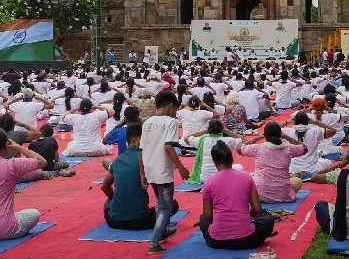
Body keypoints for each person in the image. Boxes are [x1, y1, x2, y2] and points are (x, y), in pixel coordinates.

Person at [199, 140, 275, 250]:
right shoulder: (246, 177)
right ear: (231, 159)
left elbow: (208, 216)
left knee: (202, 218)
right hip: (248, 239)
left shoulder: (209, 182)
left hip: (217, 241)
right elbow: (257, 209)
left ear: (215, 162)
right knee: (267, 219)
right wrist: (247, 216)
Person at [102, 123, 179, 229]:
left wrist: (114, 198)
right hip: (140, 221)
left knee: (108, 203)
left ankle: (119, 209)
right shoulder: (147, 158)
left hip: (114, 221)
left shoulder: (118, 160)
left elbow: (105, 187)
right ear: (134, 141)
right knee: (171, 205)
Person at [141, 90, 189, 254]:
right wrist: (181, 168)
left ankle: (163, 230)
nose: (175, 113)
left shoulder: (147, 122)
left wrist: (142, 173)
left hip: (150, 168)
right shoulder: (171, 122)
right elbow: (168, 147)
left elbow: (142, 150)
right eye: (175, 109)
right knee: (165, 207)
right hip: (162, 170)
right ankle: (154, 243)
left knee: (160, 204)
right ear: (170, 106)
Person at [238, 122, 306, 202]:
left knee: (246, 178)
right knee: (297, 181)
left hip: (259, 195)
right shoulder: (288, 148)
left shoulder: (259, 148)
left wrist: (258, 137)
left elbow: (239, 149)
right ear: (280, 134)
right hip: (283, 195)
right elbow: (304, 148)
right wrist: (287, 137)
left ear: (265, 135)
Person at [183, 119, 243, 184]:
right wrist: (227, 131)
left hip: (204, 178)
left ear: (209, 129)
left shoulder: (202, 140)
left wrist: (204, 131)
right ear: (221, 129)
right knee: (239, 167)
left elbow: (186, 138)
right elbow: (243, 140)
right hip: (222, 177)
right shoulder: (228, 140)